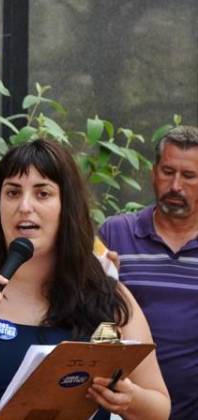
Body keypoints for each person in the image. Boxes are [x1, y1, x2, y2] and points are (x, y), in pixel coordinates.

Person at [0, 139, 170, 420]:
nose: (24, 206)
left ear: (67, 206)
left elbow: (159, 408)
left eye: (42, 194)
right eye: (12, 192)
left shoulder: (107, 295)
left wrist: (129, 398)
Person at [99, 125, 198, 418]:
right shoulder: (115, 233)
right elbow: (87, 319)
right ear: (154, 173)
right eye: (168, 172)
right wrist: (100, 284)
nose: (176, 185)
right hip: (125, 407)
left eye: (189, 176)